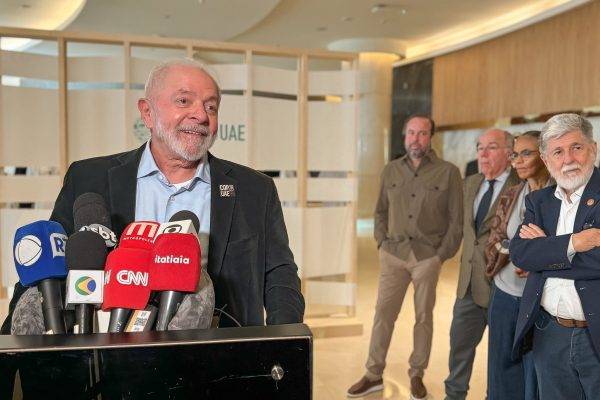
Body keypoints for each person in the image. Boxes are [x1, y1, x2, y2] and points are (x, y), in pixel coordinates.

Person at [3, 58, 305, 331]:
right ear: (147, 113)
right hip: (108, 359)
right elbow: (45, 269)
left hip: (222, 359)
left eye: (211, 107)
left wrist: (287, 344)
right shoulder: (88, 179)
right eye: (184, 101)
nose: (200, 115)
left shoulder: (255, 189)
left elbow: (279, 275)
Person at [347, 115, 463, 399]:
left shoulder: (448, 172)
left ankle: (417, 374)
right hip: (393, 255)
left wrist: (440, 256)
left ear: (430, 137)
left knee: (423, 317)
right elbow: (380, 211)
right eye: (411, 133)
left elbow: (456, 221)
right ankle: (373, 374)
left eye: (422, 133)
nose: (416, 139)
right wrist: (381, 243)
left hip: (427, 257)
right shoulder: (391, 170)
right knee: (383, 314)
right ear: (404, 136)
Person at [510, 113, 600, 399]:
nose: (568, 159)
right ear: (546, 160)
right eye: (558, 152)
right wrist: (574, 242)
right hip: (549, 332)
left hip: (595, 333)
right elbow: (521, 254)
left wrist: (545, 253)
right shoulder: (539, 201)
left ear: (593, 148)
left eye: (577, 147)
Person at [444, 128, 519, 400]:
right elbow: (460, 228)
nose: (483, 154)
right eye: (480, 148)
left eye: (492, 147)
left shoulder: (521, 185)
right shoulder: (470, 183)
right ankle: (454, 396)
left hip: (503, 286)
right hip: (467, 286)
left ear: (509, 153)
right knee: (459, 348)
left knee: (501, 355)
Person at [485, 131, 551, 400]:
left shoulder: (561, 196)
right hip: (504, 293)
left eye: (526, 153)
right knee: (500, 367)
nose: (518, 161)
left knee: (533, 372)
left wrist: (536, 263)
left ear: (544, 156)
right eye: (514, 155)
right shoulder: (511, 194)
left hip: (539, 300)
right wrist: (516, 253)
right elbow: (495, 239)